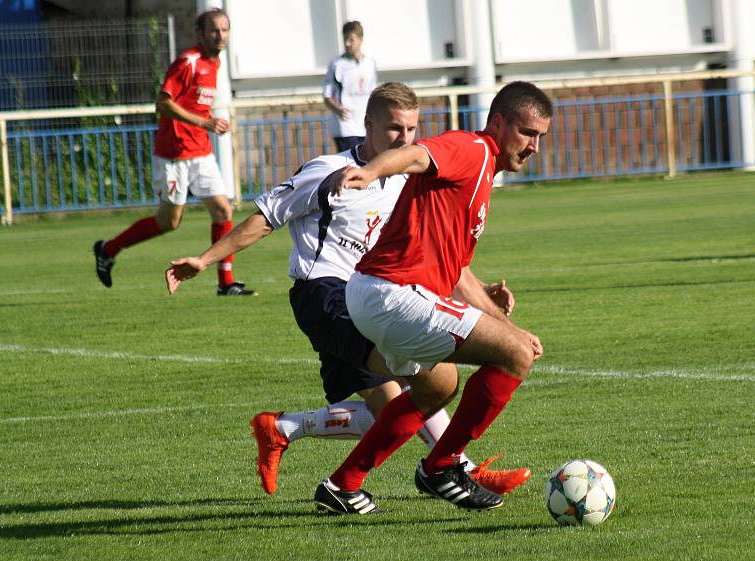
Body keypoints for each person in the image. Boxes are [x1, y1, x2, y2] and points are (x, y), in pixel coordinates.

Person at [164, 82, 531, 498]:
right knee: (424, 382)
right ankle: (457, 468)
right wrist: (206, 259)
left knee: (392, 412)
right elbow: (266, 217)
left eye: (412, 129)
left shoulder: (404, 181)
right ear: (368, 123)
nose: (405, 138)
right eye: (394, 128)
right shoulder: (326, 170)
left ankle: (284, 427)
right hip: (326, 296)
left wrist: (481, 289)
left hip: (382, 294)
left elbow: (431, 255)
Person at [312, 81, 552, 515]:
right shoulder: (473, 149)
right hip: (391, 294)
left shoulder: (481, 177)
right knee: (516, 355)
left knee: (438, 384)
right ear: (498, 123)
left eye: (540, 137)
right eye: (527, 132)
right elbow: (417, 154)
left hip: (378, 294)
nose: (534, 146)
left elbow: (456, 275)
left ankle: (343, 484)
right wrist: (371, 172)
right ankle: (442, 467)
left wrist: (504, 322)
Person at [93, 8, 255, 296]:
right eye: (214, 30)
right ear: (200, 34)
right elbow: (163, 103)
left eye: (225, 30)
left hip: (200, 151)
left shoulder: (215, 64)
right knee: (170, 222)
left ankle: (226, 282)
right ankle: (107, 250)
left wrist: (206, 125)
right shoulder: (188, 62)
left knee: (222, 210)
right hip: (174, 154)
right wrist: (205, 122)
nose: (220, 36)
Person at [323, 20, 377, 153]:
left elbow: (373, 93)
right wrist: (339, 109)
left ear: (360, 39)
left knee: (367, 165)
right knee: (350, 166)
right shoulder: (337, 64)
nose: (347, 44)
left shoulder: (370, 63)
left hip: (365, 125)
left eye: (351, 40)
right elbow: (327, 96)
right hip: (345, 127)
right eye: (345, 39)